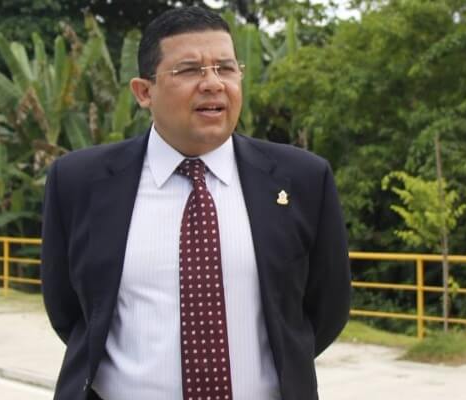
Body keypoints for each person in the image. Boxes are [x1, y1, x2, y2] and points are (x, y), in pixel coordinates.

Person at [41, 6, 350, 400]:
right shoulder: (79, 181)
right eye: (189, 70)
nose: (213, 83)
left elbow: (326, 309)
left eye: (226, 68)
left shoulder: (303, 179)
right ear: (144, 92)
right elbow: (69, 310)